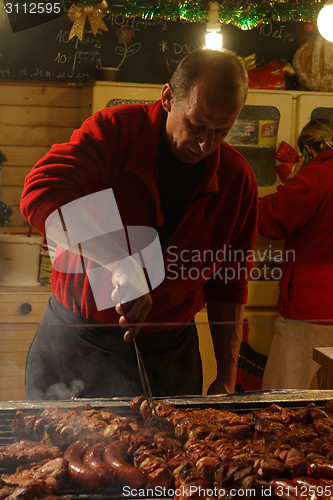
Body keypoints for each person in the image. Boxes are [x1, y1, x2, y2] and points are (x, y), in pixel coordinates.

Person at [20, 48, 258, 400]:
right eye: (196, 124)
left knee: (171, 455)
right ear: (167, 97)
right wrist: (120, 262)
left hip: (169, 353)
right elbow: (41, 191)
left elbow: (229, 283)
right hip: (77, 339)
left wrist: (227, 374)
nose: (206, 143)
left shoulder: (236, 178)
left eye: (222, 131)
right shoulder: (114, 133)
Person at [259, 119, 333, 389]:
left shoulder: (317, 175)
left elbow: (272, 219)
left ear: (309, 150)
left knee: (280, 402)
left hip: (310, 312)